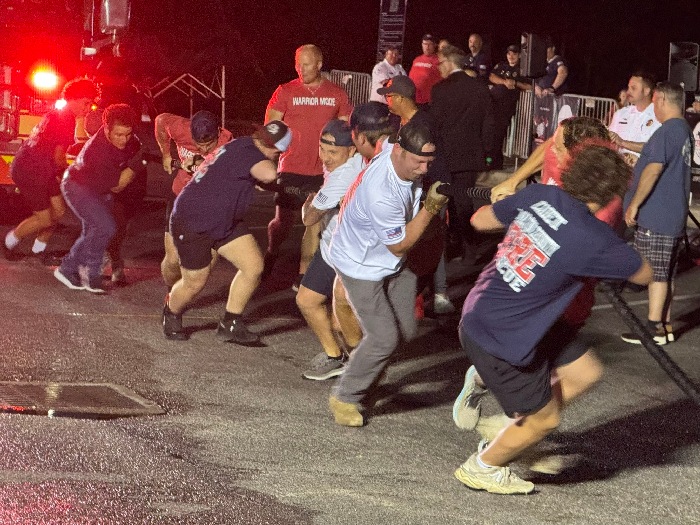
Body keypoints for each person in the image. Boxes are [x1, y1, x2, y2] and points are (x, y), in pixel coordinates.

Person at [455, 143, 653, 494]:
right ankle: (483, 466)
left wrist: (512, 205)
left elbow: (479, 219)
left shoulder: (540, 195)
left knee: (584, 372)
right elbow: (645, 274)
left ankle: (512, 431)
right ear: (610, 195)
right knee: (546, 420)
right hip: (499, 335)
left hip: (494, 311)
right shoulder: (595, 239)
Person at [327, 119, 449, 427]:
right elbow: (399, 244)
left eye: (429, 162)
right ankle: (345, 396)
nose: (424, 169)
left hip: (392, 263)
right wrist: (430, 209)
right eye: (418, 161)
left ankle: (365, 375)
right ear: (399, 152)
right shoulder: (382, 192)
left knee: (405, 331)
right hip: (361, 265)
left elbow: (383, 139)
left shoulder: (390, 148)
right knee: (384, 338)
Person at [162, 121, 291, 343]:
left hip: (225, 221)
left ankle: (230, 323)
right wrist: (290, 184)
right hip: (193, 221)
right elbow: (269, 175)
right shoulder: (250, 153)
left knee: (253, 266)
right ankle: (171, 312)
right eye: (276, 151)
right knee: (195, 282)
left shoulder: (243, 144)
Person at [263, 44, 352, 291]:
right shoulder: (285, 91)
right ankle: (272, 250)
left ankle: (302, 275)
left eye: (306, 64)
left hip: (322, 170)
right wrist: (269, 156)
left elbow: (345, 132)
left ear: (319, 64)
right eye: (297, 64)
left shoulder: (337, 94)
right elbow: (270, 127)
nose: (301, 69)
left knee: (313, 224)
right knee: (283, 223)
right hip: (291, 167)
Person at [621, 82, 692, 346]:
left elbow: (653, 169)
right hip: (672, 215)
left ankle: (654, 329)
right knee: (666, 273)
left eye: (654, 102)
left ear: (661, 99)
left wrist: (634, 204)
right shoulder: (682, 130)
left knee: (654, 273)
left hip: (658, 215)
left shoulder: (668, 130)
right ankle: (665, 324)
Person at [378, 75, 454, 313]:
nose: (387, 100)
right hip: (408, 190)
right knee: (410, 241)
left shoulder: (424, 124)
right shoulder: (397, 121)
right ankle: (412, 294)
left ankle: (439, 294)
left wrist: (436, 196)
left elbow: (434, 163)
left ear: (401, 98)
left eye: (389, 96)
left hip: (429, 190)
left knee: (431, 242)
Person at [297, 120, 364, 380]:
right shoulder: (356, 162)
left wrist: (308, 204)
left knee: (340, 318)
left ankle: (362, 371)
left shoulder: (343, 176)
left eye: (332, 152)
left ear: (352, 150)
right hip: (331, 247)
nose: (325, 158)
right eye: (322, 149)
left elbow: (309, 218)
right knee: (307, 300)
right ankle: (335, 357)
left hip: (348, 253)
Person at [5, 78, 97, 262]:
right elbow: (58, 156)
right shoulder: (65, 120)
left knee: (59, 211)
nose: (88, 109)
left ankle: (38, 250)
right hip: (31, 171)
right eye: (86, 103)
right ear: (73, 98)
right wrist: (73, 174)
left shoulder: (58, 114)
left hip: (44, 170)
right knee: (45, 219)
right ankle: (8, 243)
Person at [54, 104, 142, 293]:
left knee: (94, 231)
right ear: (106, 129)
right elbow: (118, 185)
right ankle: (89, 275)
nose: (124, 139)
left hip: (99, 189)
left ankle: (69, 269)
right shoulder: (98, 152)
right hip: (78, 186)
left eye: (127, 134)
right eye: (118, 135)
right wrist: (139, 162)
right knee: (105, 227)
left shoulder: (130, 139)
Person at [429, 44, 495, 264]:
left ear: (449, 63)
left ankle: (451, 245)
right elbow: (488, 125)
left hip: (445, 154)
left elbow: (435, 124)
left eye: (440, 63)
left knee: (445, 200)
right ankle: (469, 248)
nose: (438, 67)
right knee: (464, 200)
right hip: (470, 154)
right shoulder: (480, 88)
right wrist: (487, 154)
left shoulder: (440, 90)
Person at [154, 111, 233, 288]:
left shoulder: (228, 144)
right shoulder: (180, 128)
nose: (203, 149)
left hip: (209, 204)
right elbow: (160, 121)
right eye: (199, 144)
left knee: (203, 268)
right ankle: (172, 294)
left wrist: (202, 165)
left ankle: (185, 292)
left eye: (209, 145)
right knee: (173, 260)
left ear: (218, 133)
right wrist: (166, 153)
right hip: (180, 196)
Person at [488, 44, 532, 170]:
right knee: (489, 134)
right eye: (509, 54)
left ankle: (495, 163)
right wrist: (504, 82)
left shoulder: (523, 69)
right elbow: (491, 76)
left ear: (519, 55)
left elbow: (530, 86)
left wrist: (515, 83)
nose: (511, 56)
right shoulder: (501, 66)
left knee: (498, 134)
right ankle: (490, 161)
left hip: (506, 107)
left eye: (514, 54)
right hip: (492, 105)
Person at [608, 72, 661, 166]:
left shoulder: (659, 117)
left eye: (633, 88)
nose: (628, 92)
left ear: (646, 91)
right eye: (628, 88)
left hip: (643, 170)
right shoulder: (620, 114)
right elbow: (609, 141)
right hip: (617, 169)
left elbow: (656, 149)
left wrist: (622, 143)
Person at [408, 34, 441, 107]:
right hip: (413, 100)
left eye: (430, 44)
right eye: (425, 44)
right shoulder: (416, 60)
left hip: (429, 102)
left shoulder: (438, 61)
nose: (427, 47)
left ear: (434, 45)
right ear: (422, 45)